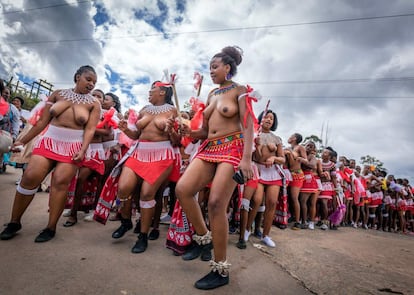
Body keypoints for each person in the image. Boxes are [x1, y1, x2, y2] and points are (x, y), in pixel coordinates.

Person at [175, 46, 254, 290]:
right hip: (209, 147)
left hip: (233, 148)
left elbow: (248, 125)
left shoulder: (241, 91)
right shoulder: (210, 94)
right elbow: (205, 132)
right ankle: (204, 239)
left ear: (227, 67)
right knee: (183, 190)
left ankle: (220, 269)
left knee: (216, 204)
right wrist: (189, 131)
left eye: (215, 66)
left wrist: (247, 159)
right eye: (210, 67)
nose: (211, 71)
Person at [0, 65, 101, 242]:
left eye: (94, 82)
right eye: (88, 79)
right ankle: (14, 222)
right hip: (49, 141)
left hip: (73, 146)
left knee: (60, 183)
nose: (91, 84)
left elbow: (90, 129)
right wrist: (22, 140)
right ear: (77, 77)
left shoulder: (94, 103)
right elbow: (41, 122)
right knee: (30, 177)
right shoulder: (57, 94)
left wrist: (83, 150)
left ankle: (50, 227)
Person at [104, 81, 181, 254]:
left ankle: (143, 236)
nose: (149, 92)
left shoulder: (173, 110)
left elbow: (177, 141)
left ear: (162, 92)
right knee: (123, 188)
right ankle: (126, 222)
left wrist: (171, 131)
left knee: (147, 194)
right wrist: (125, 129)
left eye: (152, 90)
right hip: (139, 153)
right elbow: (136, 134)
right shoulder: (144, 110)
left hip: (161, 156)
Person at [246, 109, 284, 248]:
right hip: (257, 170)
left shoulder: (277, 139)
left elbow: (282, 159)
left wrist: (274, 158)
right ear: (261, 118)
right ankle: (247, 229)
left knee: (272, 202)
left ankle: (266, 235)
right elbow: (252, 154)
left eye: (271, 118)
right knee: (256, 200)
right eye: (266, 117)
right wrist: (256, 144)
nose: (268, 120)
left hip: (273, 173)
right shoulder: (254, 134)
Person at [284, 133, 308, 229]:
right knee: (289, 198)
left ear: (295, 138)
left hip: (297, 174)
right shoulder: (289, 148)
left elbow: (306, 161)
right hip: (289, 174)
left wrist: (300, 158)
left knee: (294, 198)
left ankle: (298, 221)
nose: (289, 137)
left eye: (291, 136)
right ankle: (291, 217)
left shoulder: (300, 147)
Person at [0, 84, 20, 173]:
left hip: (4, 136)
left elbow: (16, 124)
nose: (6, 94)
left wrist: (14, 136)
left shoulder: (13, 109)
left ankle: (1, 165)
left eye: (8, 93)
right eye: (4, 92)